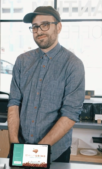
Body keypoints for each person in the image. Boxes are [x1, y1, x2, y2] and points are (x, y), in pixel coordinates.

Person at [7, 6, 85, 162]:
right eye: (35, 27)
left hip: (54, 153)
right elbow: (14, 103)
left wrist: (36, 154)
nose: (39, 31)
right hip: (20, 147)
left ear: (59, 27)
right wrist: (15, 143)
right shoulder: (22, 61)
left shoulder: (73, 64)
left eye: (45, 24)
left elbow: (70, 114)